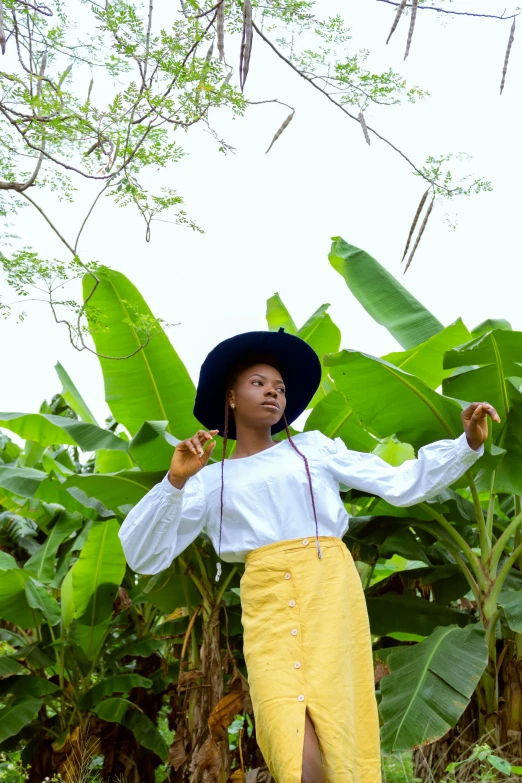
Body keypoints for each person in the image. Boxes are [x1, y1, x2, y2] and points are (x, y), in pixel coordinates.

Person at [118, 328, 499, 783]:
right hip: (267, 606)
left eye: (279, 388)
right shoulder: (207, 480)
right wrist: (175, 481)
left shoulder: (315, 449)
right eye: (258, 383)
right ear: (232, 397)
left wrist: (467, 444)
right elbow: (143, 555)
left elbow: (401, 483)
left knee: (339, 731)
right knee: (289, 741)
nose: (272, 393)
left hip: (329, 594)